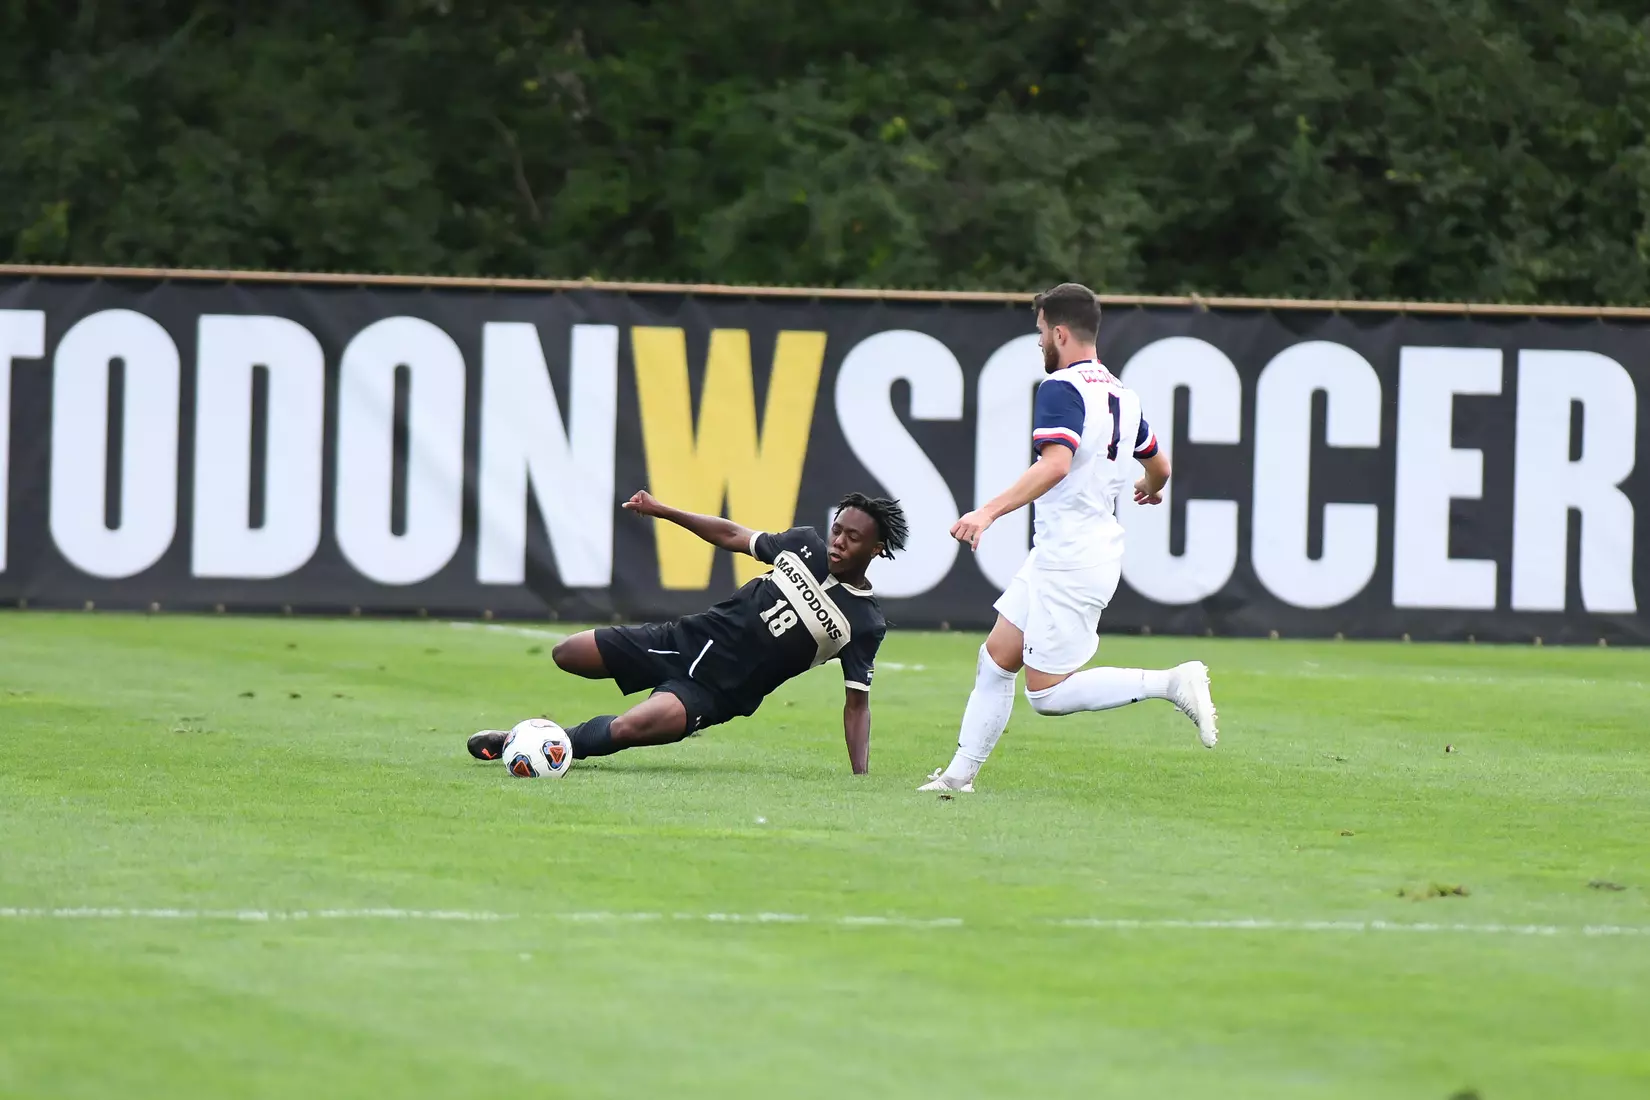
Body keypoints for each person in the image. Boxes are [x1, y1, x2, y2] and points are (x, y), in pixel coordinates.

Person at [919, 282, 1218, 793]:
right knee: (996, 658)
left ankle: (1171, 682)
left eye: (1040, 331)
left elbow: (1055, 464)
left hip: (1073, 559)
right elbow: (1160, 465)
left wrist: (988, 512)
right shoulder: (1124, 393)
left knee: (1047, 695)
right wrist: (1150, 486)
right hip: (1064, 553)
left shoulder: (1061, 388)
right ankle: (957, 778)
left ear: (1059, 332)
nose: (1038, 342)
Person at [468, 489, 908, 774]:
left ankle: (535, 743)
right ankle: (534, 742)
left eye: (853, 537)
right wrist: (663, 510)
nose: (838, 542)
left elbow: (856, 705)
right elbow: (734, 533)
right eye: (838, 530)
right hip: (682, 641)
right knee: (567, 653)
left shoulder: (864, 623)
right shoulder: (803, 544)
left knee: (628, 729)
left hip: (716, 693)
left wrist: (860, 777)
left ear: (876, 548)